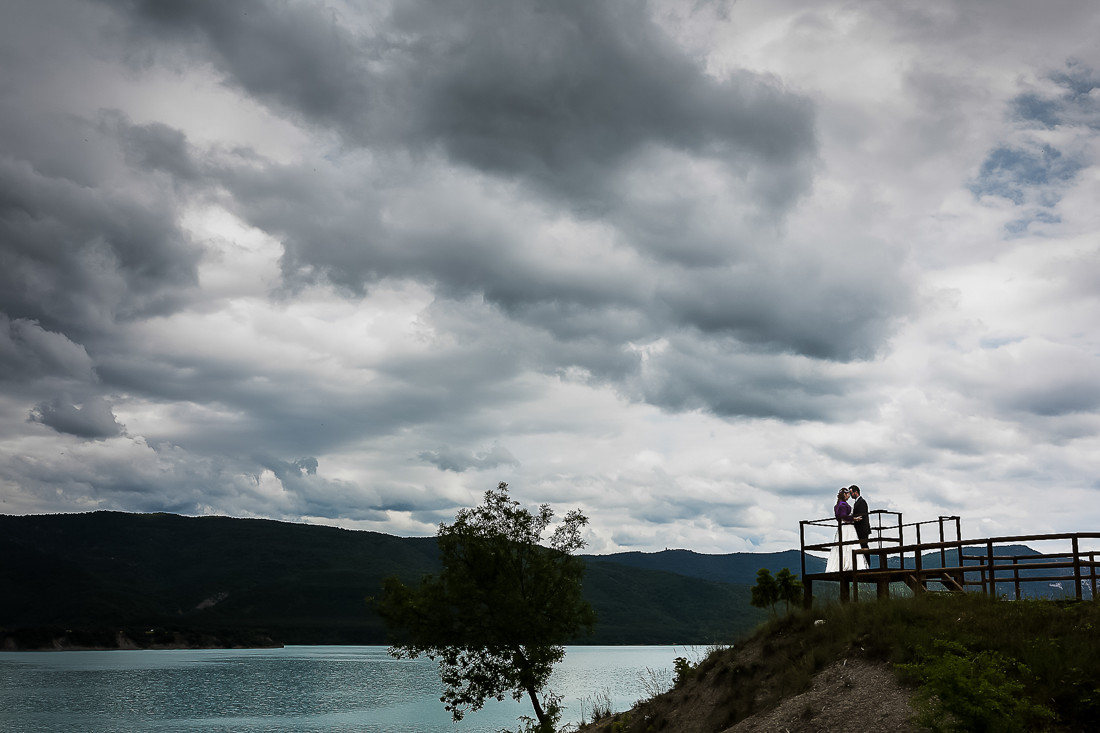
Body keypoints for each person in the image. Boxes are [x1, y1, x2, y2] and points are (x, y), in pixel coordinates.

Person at [825, 488, 867, 572]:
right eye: (848, 494)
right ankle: (850, 564)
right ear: (844, 494)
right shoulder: (843, 505)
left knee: (843, 545)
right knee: (850, 544)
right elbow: (844, 516)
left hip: (842, 527)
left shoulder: (837, 505)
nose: (849, 496)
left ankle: (843, 563)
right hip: (847, 527)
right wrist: (854, 519)